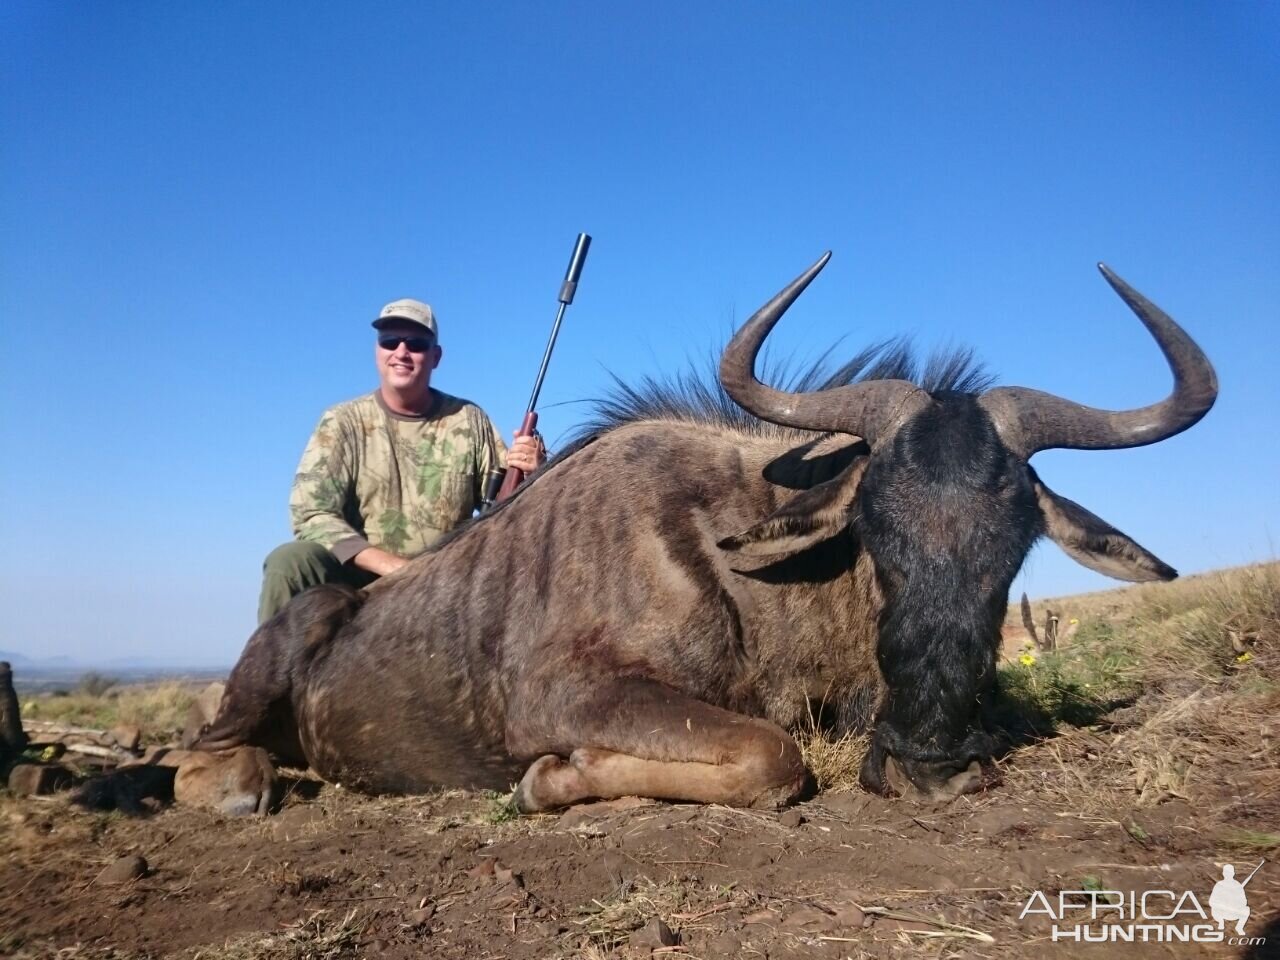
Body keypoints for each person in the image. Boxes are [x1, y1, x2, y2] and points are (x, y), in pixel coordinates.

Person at [257, 298, 546, 623]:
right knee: (288, 562)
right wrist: (395, 569)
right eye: (390, 341)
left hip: (444, 585)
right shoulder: (342, 422)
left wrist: (537, 471)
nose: (402, 352)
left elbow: (505, 510)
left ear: (435, 357)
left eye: (417, 344)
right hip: (357, 581)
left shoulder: (469, 420)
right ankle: (269, 674)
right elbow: (311, 514)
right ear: (377, 351)